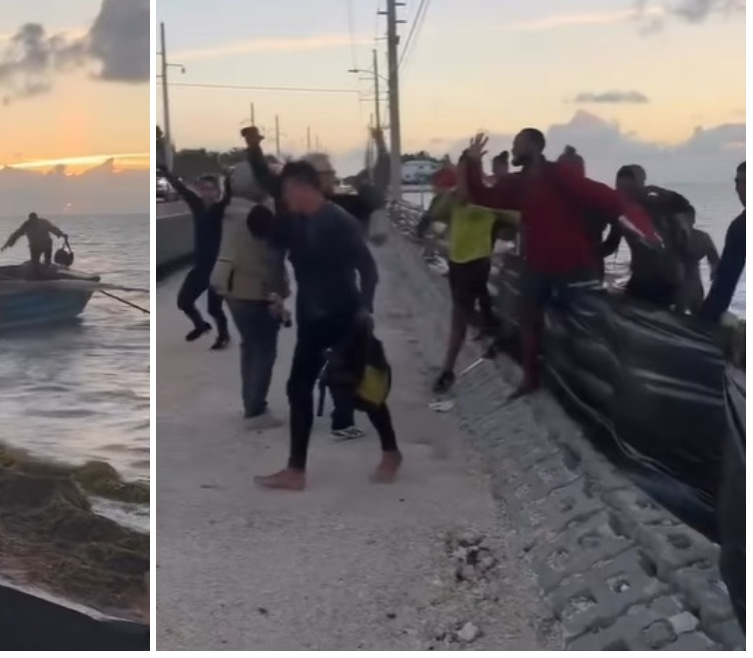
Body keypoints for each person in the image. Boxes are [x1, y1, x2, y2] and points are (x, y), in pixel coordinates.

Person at [243, 129, 401, 489]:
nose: (282, 197)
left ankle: (391, 451)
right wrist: (277, 295)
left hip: (347, 318)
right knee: (298, 389)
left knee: (361, 390)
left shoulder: (339, 222)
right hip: (311, 320)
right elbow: (275, 259)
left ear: (302, 188)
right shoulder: (292, 222)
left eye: (286, 191)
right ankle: (295, 471)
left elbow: (369, 271)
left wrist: (365, 310)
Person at [457, 130, 658, 398]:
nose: (513, 150)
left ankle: (605, 386)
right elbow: (483, 197)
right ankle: (531, 379)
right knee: (528, 321)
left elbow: (602, 196)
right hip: (538, 266)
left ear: (533, 147)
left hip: (574, 267)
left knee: (585, 327)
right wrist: (473, 163)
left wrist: (640, 224)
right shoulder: (517, 183)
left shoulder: (559, 174)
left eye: (517, 145)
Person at [211, 161, 289, 425]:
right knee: (264, 350)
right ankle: (256, 409)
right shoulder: (259, 214)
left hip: (230, 288)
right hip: (256, 291)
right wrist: (279, 292)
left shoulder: (227, 209)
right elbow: (272, 258)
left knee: (249, 346)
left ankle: (250, 403)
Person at [420, 163, 508, 394]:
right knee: (462, 314)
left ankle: (449, 369)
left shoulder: (488, 198)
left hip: (476, 263)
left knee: (460, 316)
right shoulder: (457, 199)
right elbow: (435, 214)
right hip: (459, 264)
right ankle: (488, 334)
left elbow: (510, 221)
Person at [598, 165, 695, 308]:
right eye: (621, 189)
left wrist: (663, 192)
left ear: (641, 187)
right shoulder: (622, 213)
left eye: (631, 189)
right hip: (640, 277)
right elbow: (611, 244)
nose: (626, 194)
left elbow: (686, 208)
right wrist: (588, 254)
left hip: (667, 278)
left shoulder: (656, 204)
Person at [164, 169, 231, 349]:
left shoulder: (220, 209)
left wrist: (228, 177)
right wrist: (165, 171)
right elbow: (181, 189)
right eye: (204, 189)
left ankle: (223, 336)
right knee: (184, 302)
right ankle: (201, 325)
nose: (207, 192)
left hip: (218, 267)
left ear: (217, 192)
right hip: (200, 267)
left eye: (211, 189)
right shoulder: (197, 206)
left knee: (214, 308)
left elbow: (229, 194)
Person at [700, 162, 746, 323]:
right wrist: (706, 321)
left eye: (746, 182)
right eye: (737, 183)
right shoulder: (740, 228)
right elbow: (725, 282)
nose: (739, 189)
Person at [2, 213, 67, 269]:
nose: (34, 222)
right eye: (33, 220)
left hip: (46, 244)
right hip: (35, 246)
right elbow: (16, 234)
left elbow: (53, 229)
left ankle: (46, 266)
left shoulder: (42, 223)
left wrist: (62, 234)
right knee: (35, 262)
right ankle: (38, 266)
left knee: (46, 260)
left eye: (35, 220)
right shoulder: (27, 224)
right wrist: (7, 244)